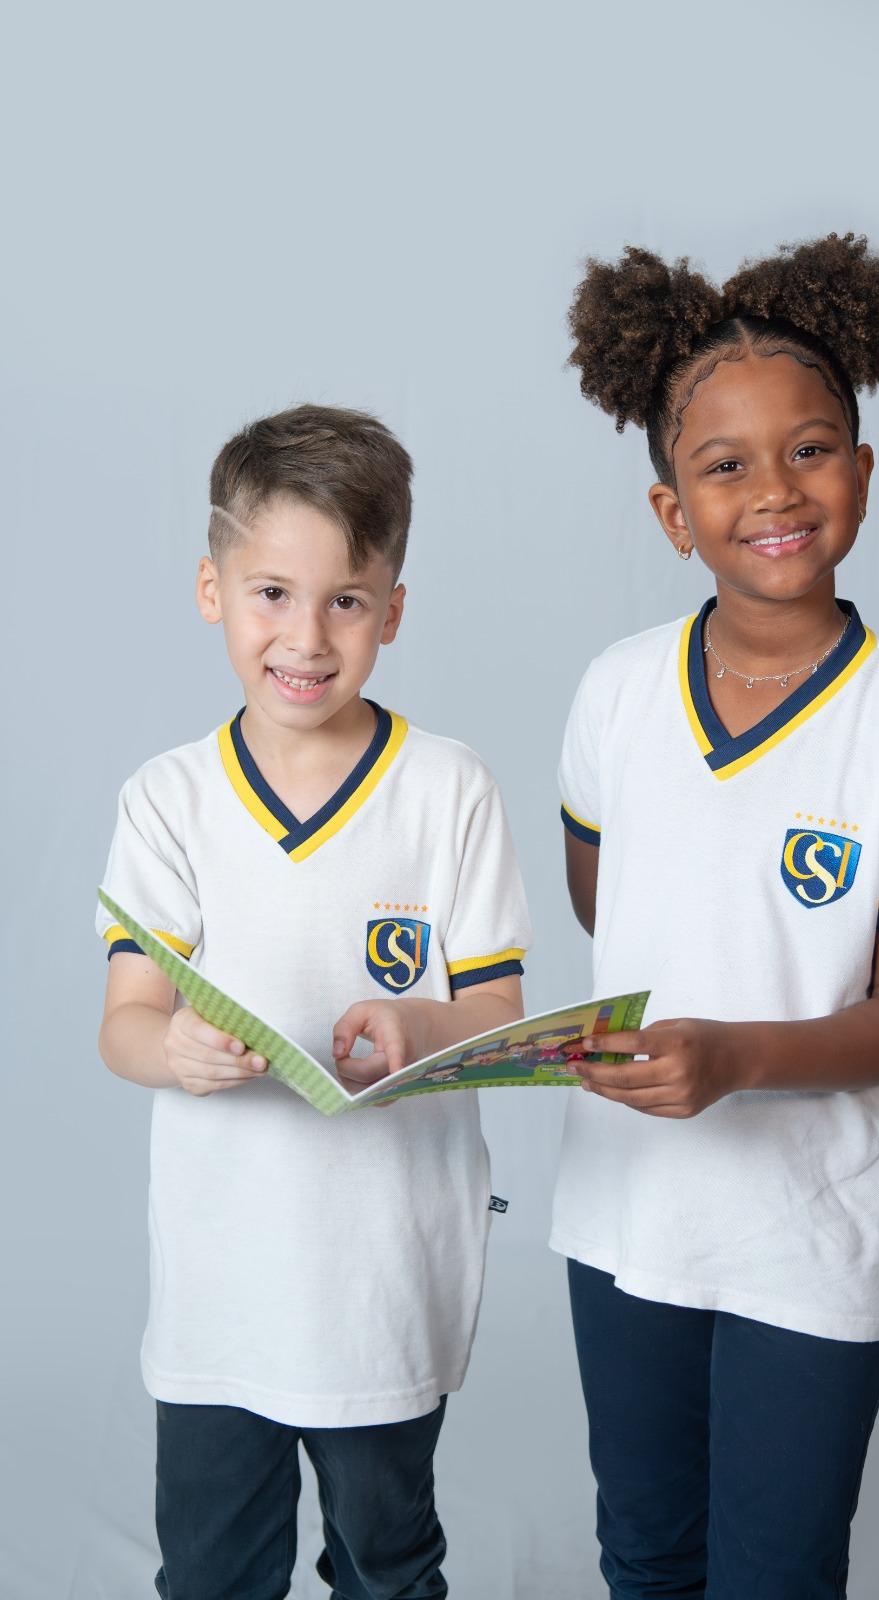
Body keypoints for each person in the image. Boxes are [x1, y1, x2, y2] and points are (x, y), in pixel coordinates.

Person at [553, 234, 879, 1599]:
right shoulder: (618, 692)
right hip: (624, 1214)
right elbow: (609, 896)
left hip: (812, 1229)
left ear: (860, 468)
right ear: (670, 511)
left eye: (808, 451)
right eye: (724, 466)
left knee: (775, 1573)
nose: (773, 493)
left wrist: (750, 1051)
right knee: (646, 1555)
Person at [96, 404, 531, 1600]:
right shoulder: (168, 799)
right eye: (272, 593)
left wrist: (419, 1025)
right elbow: (124, 1020)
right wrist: (176, 1047)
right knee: (210, 1574)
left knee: (387, 1567)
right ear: (212, 589)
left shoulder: (448, 788)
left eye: (345, 600)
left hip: (385, 1277)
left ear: (393, 609)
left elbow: (498, 1012)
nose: (305, 635)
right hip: (220, 1290)